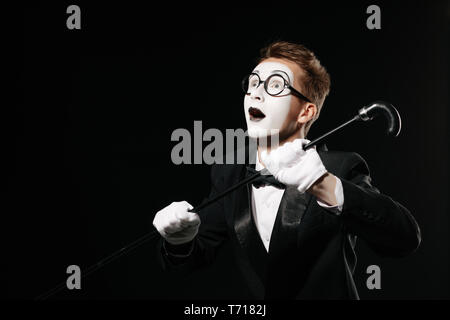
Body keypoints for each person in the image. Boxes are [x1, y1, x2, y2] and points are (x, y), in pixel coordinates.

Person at [152, 41, 421, 299]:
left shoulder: (339, 167)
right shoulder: (230, 172)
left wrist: (324, 185)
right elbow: (191, 260)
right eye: (254, 83)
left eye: (276, 85)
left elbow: (404, 239)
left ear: (306, 112)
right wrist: (179, 241)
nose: (256, 93)